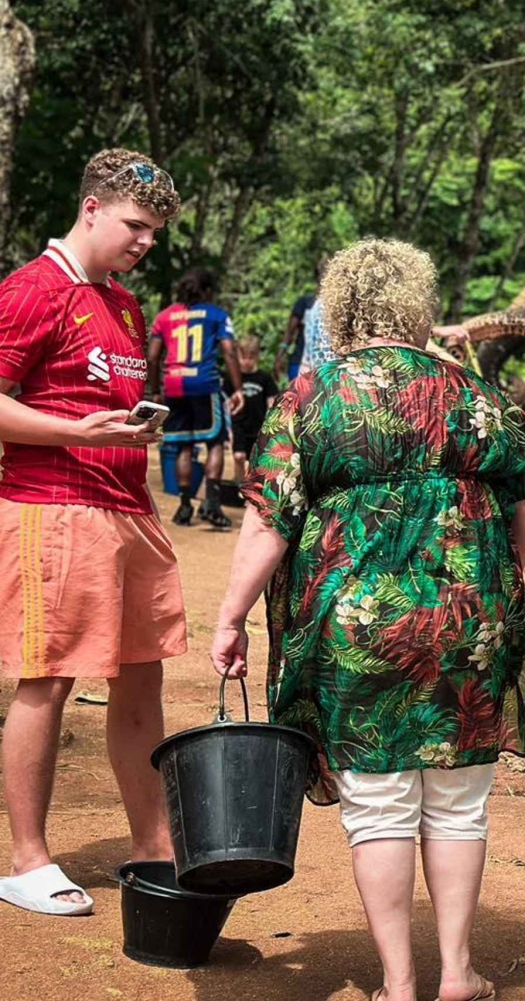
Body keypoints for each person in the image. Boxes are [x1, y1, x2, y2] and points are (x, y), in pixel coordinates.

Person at [211, 239, 525, 1001]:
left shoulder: (310, 397)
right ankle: (458, 972)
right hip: (471, 615)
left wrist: (230, 616)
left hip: (356, 625)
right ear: (419, 305)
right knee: (461, 799)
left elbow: (270, 521)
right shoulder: (473, 393)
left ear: (343, 308)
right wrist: (505, 570)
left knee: (379, 805)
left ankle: (400, 983)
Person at [0, 148, 185, 916]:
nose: (144, 242)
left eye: (154, 233)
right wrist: (73, 433)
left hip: (125, 509)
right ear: (91, 210)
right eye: (135, 226)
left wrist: (123, 433)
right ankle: (27, 860)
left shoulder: (125, 302)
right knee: (47, 676)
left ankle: (154, 846)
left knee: (143, 677)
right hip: (52, 505)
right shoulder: (32, 289)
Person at [146, 267, 244, 528]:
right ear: (208, 291)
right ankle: (212, 503)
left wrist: (156, 389)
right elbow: (229, 351)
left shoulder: (164, 317)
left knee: (184, 446)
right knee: (214, 442)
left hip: (174, 386)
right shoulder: (217, 315)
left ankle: (185, 505)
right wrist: (238, 389)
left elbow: (153, 357)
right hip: (205, 384)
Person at [230, 337, 278, 483]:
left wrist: (270, 425)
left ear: (257, 356)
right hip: (238, 425)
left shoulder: (265, 378)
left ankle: (252, 487)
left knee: (255, 459)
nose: (247, 361)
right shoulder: (233, 378)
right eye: (243, 357)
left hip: (258, 426)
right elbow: (226, 402)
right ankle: (238, 485)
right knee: (238, 456)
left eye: (251, 358)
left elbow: (272, 401)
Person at [276, 258, 324, 382]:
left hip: (327, 366)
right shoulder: (305, 303)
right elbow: (290, 332)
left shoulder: (339, 306)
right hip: (301, 363)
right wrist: (281, 354)